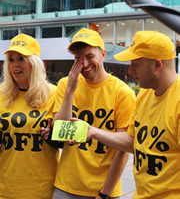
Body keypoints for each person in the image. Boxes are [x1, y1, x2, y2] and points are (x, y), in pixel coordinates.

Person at [84, 30, 180, 198]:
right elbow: (132, 141)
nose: (130, 71)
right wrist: (93, 131)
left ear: (157, 65)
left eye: (135, 64)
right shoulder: (144, 94)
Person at [47, 28, 136, 199]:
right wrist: (70, 92)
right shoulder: (66, 84)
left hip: (103, 188)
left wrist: (104, 194)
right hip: (66, 186)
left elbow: (123, 148)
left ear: (102, 54)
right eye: (78, 59)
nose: (84, 64)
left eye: (89, 57)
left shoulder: (122, 92)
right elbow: (59, 131)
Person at [0, 33, 60, 198]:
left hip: (42, 189)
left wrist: (53, 134)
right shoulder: (1, 94)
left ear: (34, 63)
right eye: (11, 60)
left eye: (21, 59)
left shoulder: (53, 94)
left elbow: (69, 139)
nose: (15, 65)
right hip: (5, 187)